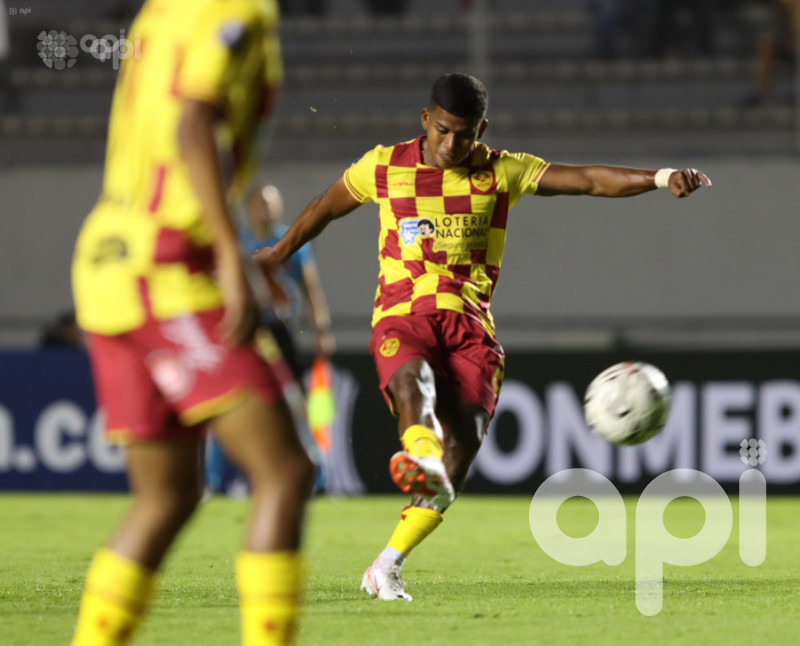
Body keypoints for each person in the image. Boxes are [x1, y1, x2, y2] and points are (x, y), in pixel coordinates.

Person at [253, 72, 711, 602]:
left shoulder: (500, 172)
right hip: (403, 313)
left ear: (481, 130)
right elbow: (325, 206)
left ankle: (386, 565)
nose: (452, 145)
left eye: (464, 135)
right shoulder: (383, 166)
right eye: (443, 131)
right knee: (412, 383)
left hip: (471, 329)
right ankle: (419, 453)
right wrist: (278, 254)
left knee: (463, 448)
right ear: (425, 120)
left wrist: (660, 177)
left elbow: (587, 179)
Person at [70, 1, 312, 644]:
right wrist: (228, 254)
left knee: (167, 496)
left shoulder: (162, 11)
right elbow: (193, 122)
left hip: (106, 260)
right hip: (168, 266)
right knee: (284, 472)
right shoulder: (238, 9)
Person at [205, 183, 335, 496]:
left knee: (296, 403)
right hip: (247, 330)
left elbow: (310, 289)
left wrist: (321, 329)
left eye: (272, 204)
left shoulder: (291, 240)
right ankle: (211, 481)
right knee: (230, 401)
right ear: (249, 208)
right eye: (261, 204)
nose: (267, 209)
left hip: (282, 330)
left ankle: (318, 481)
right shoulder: (237, 243)